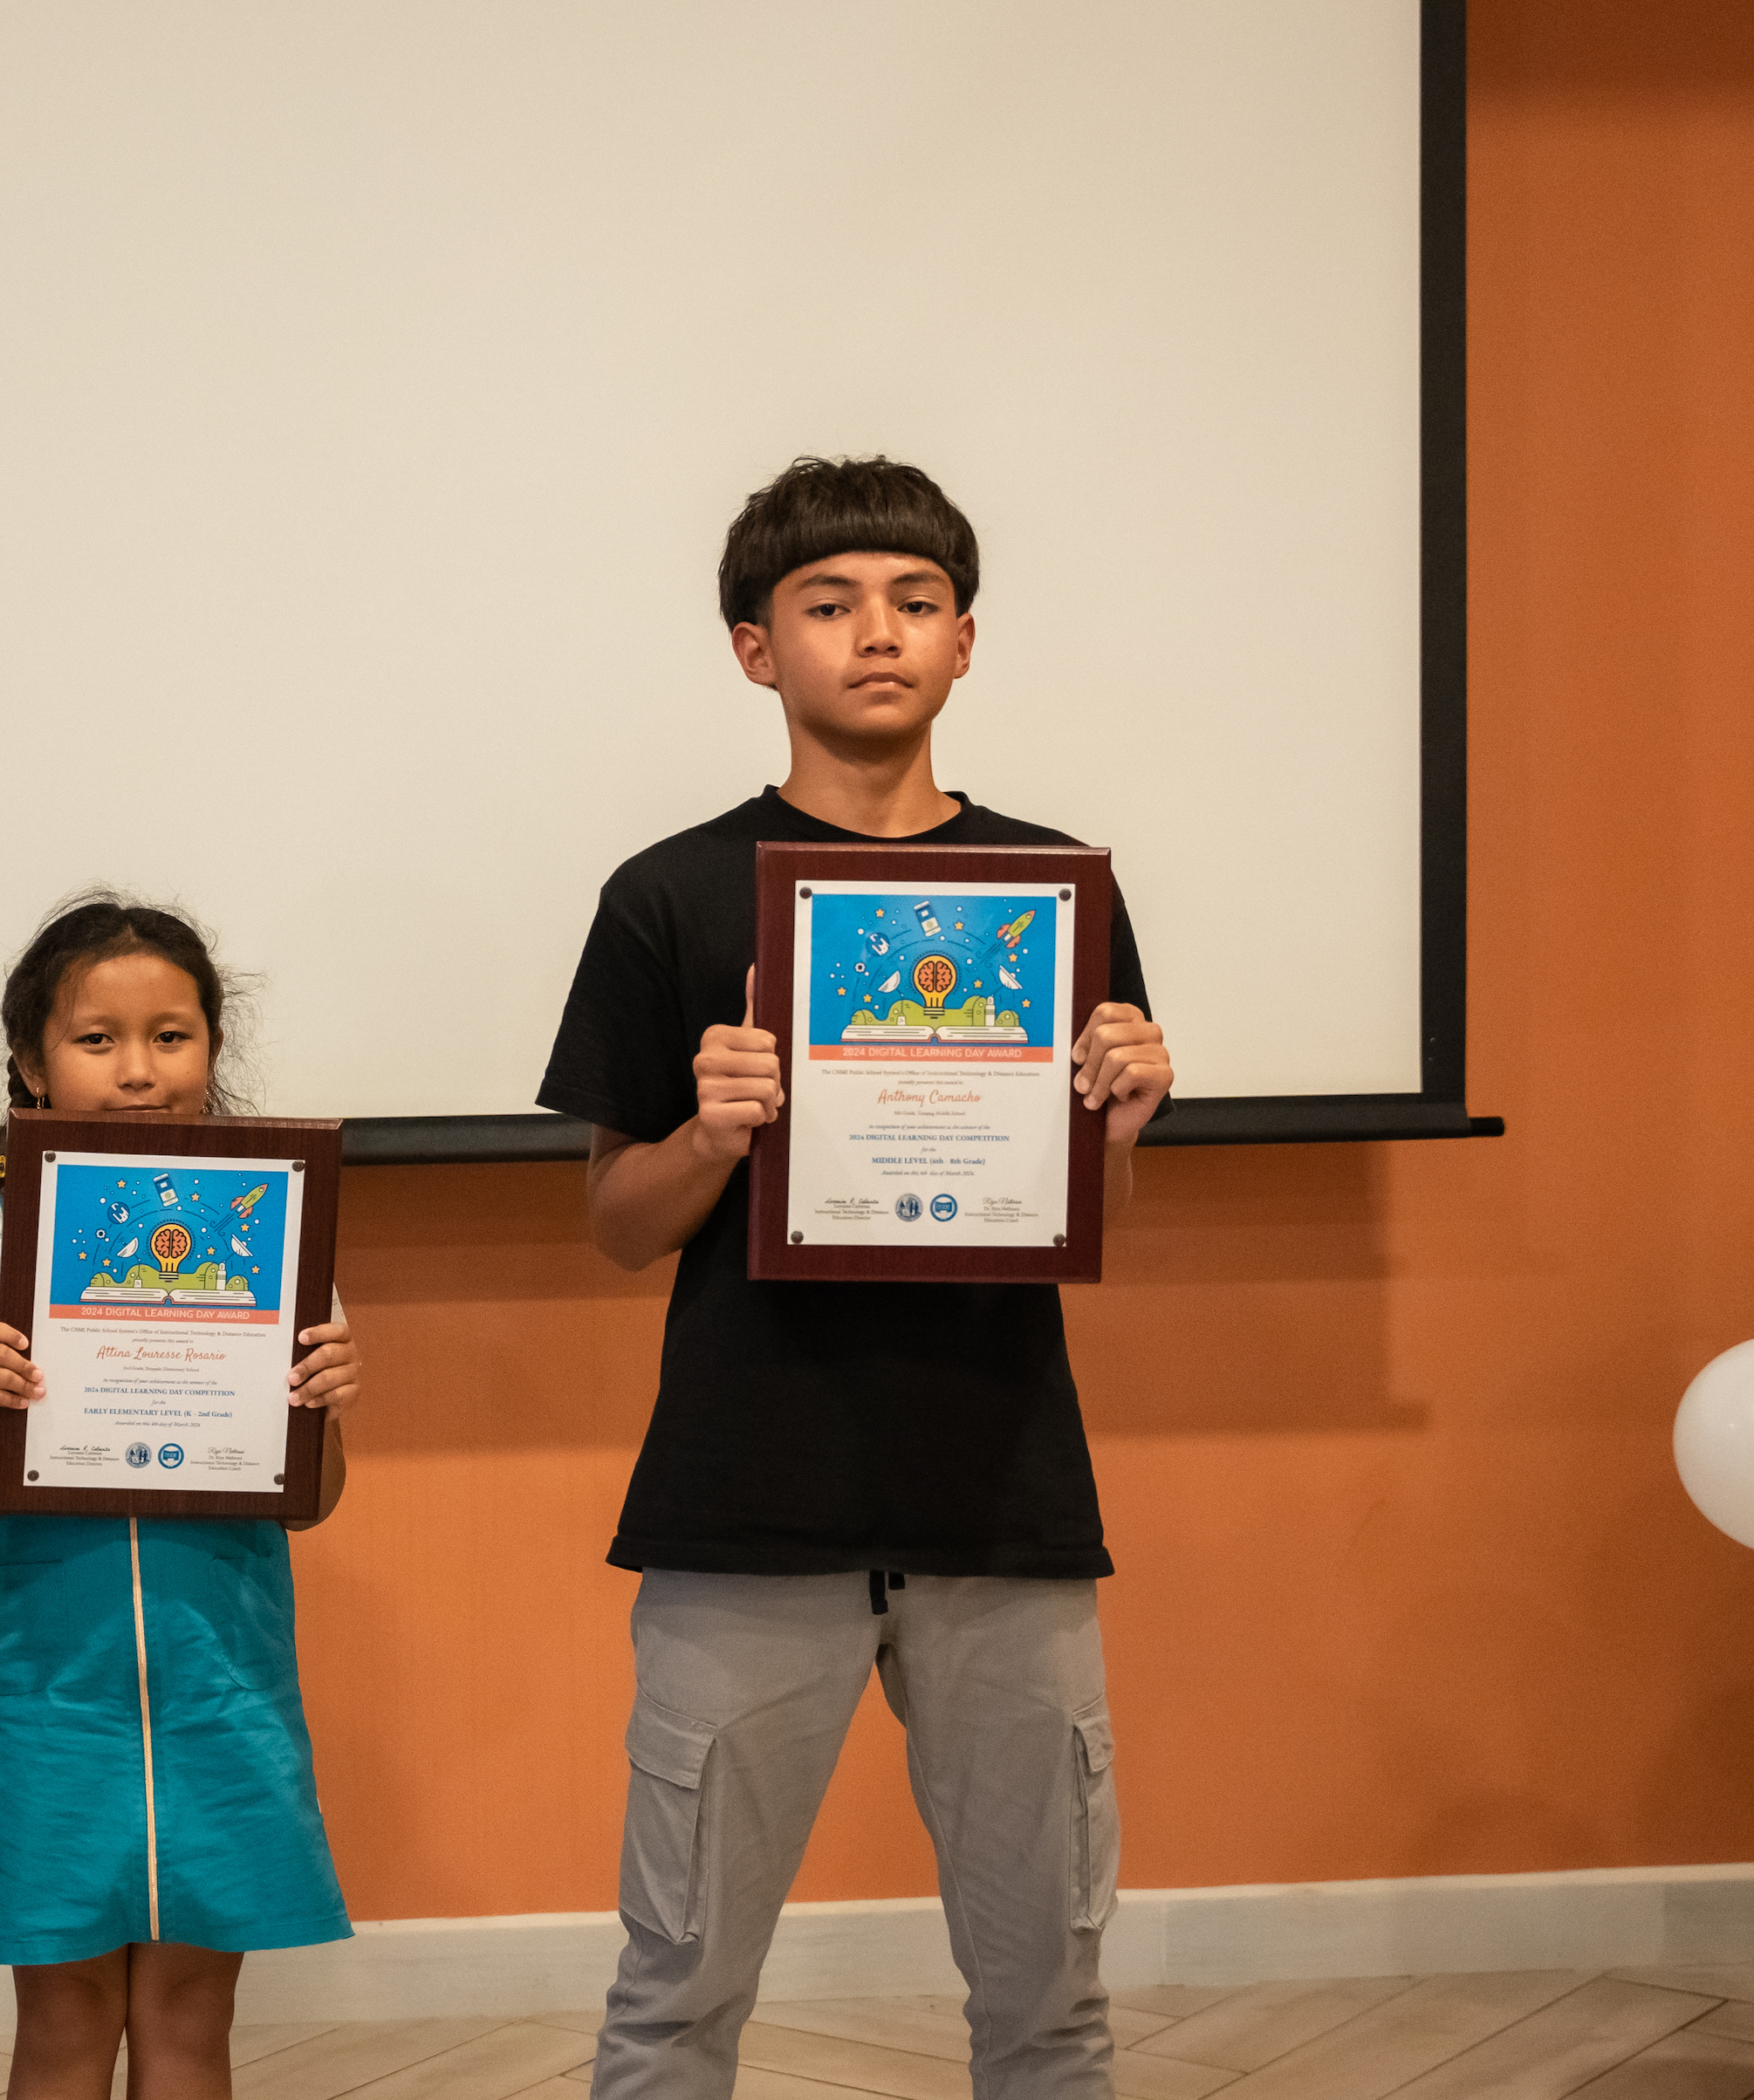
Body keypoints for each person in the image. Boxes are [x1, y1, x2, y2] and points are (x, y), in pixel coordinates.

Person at [539, 457, 1175, 2100]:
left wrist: (1121, 1125)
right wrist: (713, 1133)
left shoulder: (1053, 891)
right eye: (827, 605)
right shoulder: (670, 894)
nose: (874, 633)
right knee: (675, 1994)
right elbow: (616, 1222)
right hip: (744, 1504)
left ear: (965, 639)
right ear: (756, 649)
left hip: (1001, 1498)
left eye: (913, 601)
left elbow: (1084, 1221)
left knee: (1050, 2001)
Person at [0, 894, 365, 2100]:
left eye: (170, 1036)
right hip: (47, 1707)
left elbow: (310, 1499)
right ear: (30, 1063)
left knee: (194, 2012)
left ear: (212, 1048)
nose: (138, 1071)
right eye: (96, 1040)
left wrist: (321, 1406)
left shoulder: (274, 1238)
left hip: (223, 1694)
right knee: (63, 2014)